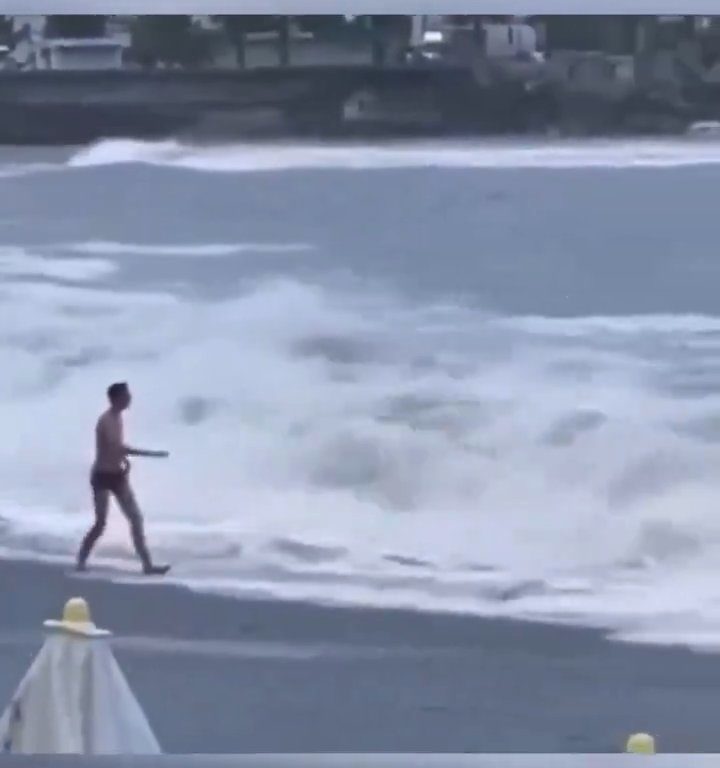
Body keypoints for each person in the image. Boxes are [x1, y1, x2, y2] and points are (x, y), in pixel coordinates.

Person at [76, 382, 170, 575]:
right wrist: (151, 454)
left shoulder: (119, 418)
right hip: (102, 476)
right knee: (101, 523)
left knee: (136, 518)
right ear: (117, 398)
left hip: (118, 476)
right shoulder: (105, 421)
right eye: (126, 395)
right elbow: (117, 448)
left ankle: (147, 565)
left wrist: (124, 463)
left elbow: (116, 450)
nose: (130, 398)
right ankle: (81, 560)